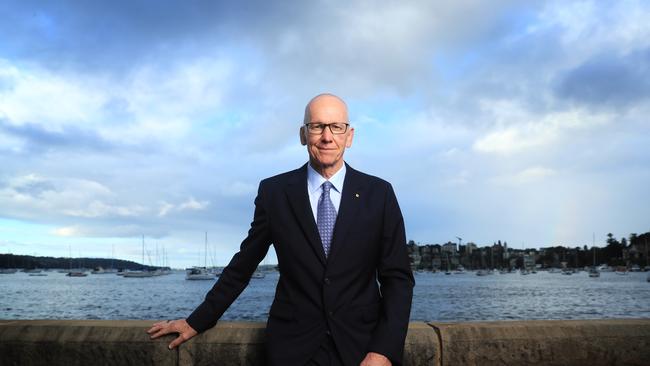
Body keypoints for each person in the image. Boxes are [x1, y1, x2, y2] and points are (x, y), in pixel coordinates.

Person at [148, 94, 414, 366]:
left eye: (336, 127)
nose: (326, 136)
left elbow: (398, 279)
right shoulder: (274, 193)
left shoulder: (379, 194)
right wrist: (197, 321)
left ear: (350, 136)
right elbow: (244, 265)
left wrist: (383, 351)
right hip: (292, 350)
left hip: (362, 349)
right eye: (317, 126)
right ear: (303, 134)